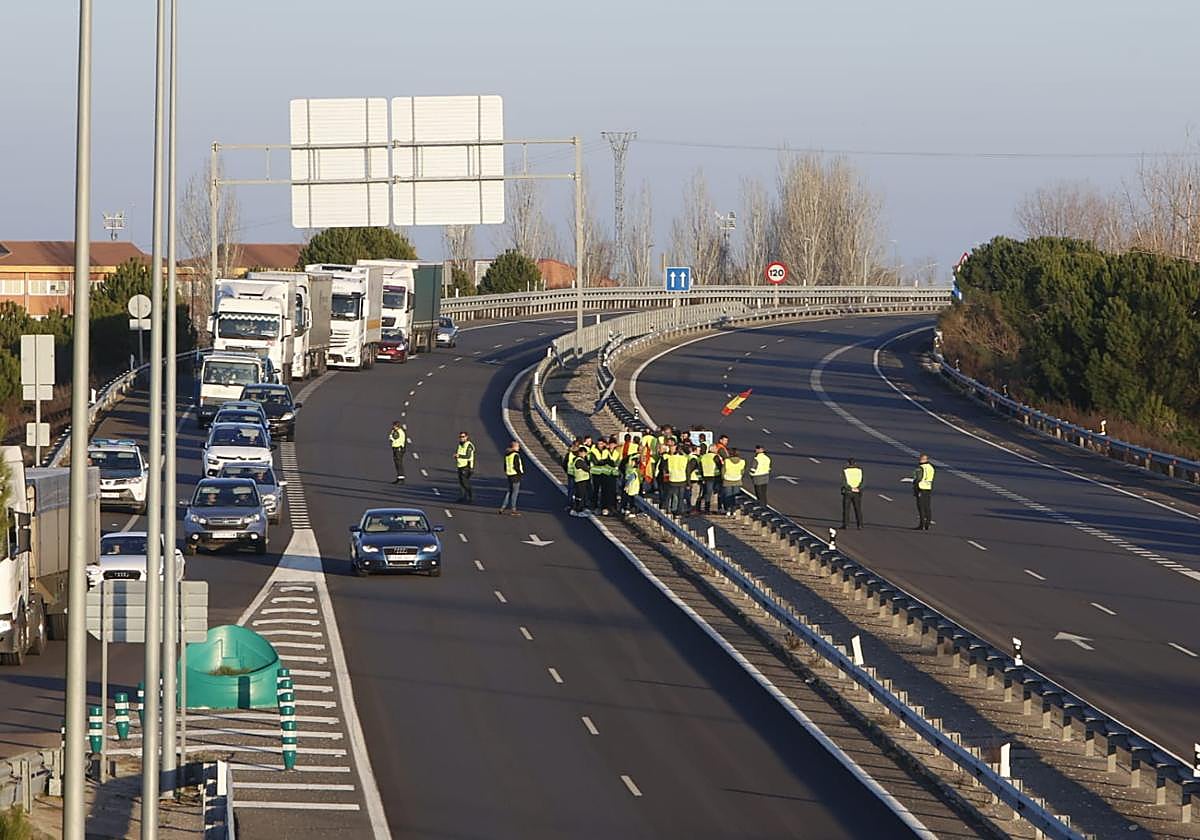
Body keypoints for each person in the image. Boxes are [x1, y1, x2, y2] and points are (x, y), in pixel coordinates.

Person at [912, 453, 935, 530]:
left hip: (920, 488)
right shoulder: (931, 467)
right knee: (927, 506)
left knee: (921, 507)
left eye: (921, 459)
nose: (920, 460)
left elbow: (918, 478)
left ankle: (921, 525)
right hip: (928, 487)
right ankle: (927, 523)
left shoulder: (920, 467)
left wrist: (914, 483)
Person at [500, 441, 524, 515]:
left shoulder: (507, 455)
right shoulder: (515, 455)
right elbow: (517, 466)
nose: (519, 448)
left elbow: (505, 466)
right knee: (514, 493)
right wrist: (520, 474)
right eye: (518, 446)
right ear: (514, 447)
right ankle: (513, 509)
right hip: (515, 476)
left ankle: (503, 507)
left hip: (509, 475)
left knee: (509, 492)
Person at [720, 447, 746, 515]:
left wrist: (723, 478)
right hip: (737, 480)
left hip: (727, 480)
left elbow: (723, 471)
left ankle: (728, 510)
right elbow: (742, 472)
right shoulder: (742, 461)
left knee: (728, 496)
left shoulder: (727, 461)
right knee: (735, 496)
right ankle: (734, 510)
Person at [841, 457, 864, 530]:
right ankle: (860, 525)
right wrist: (858, 488)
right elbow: (863, 481)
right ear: (855, 463)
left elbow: (844, 482)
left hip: (848, 492)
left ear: (848, 463)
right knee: (858, 509)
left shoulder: (845, 471)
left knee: (846, 509)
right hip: (857, 492)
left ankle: (846, 525)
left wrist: (850, 488)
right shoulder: (859, 471)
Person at [570, 445, 592, 516]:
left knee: (581, 495)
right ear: (581, 453)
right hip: (580, 480)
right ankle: (578, 510)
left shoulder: (580, 460)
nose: (585, 455)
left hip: (582, 479)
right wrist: (589, 467)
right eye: (584, 453)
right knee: (580, 495)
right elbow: (586, 468)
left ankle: (579, 508)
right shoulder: (579, 460)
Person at [698, 443, 719, 515]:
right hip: (714, 476)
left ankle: (703, 508)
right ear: (713, 449)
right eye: (716, 449)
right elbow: (719, 465)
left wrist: (702, 476)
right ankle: (708, 509)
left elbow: (700, 467)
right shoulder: (715, 456)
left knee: (706, 493)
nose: (717, 450)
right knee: (711, 493)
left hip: (705, 476)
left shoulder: (703, 457)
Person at [455, 431, 476, 503]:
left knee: (465, 483)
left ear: (467, 437)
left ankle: (470, 497)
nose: (461, 438)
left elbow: (468, 456)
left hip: (466, 466)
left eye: (463, 437)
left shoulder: (469, 445)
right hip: (460, 465)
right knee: (461, 483)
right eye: (460, 437)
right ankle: (463, 497)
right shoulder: (460, 445)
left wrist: (459, 456)